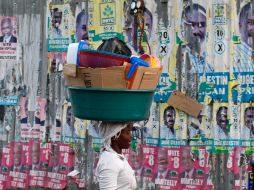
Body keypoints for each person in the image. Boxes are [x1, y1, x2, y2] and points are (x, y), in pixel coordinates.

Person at [95, 122, 137, 189]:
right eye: (127, 132)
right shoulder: (109, 162)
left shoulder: (116, 157)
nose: (131, 136)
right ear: (115, 136)